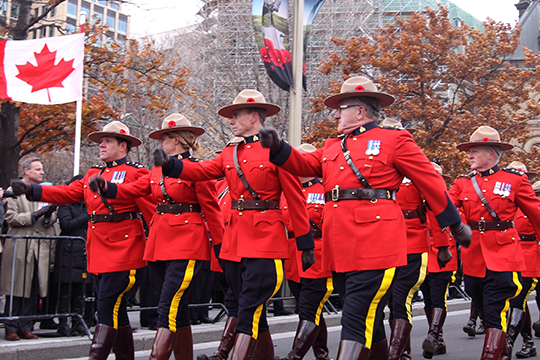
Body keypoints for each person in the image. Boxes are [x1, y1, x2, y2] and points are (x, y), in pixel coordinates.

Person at [258, 76, 470, 360]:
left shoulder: (394, 139)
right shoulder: (333, 145)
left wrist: (454, 224)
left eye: (341, 107)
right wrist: (279, 147)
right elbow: (305, 164)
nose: (335, 114)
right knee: (366, 317)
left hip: (375, 243)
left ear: (359, 111)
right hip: (340, 246)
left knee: (355, 318)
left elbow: (429, 180)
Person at [154, 89, 315, 360]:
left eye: (236, 115)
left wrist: (304, 242)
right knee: (247, 309)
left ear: (254, 116)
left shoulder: (277, 150)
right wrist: (172, 166)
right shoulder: (231, 152)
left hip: (266, 239)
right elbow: (203, 171)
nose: (231, 120)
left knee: (248, 311)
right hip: (236, 241)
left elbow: (295, 198)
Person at [10, 121, 155, 359]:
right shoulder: (92, 173)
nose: (102, 144)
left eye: (107, 140)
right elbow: (66, 193)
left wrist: (156, 250)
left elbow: (150, 212)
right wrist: (32, 191)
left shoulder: (137, 173)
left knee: (107, 306)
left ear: (123, 146)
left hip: (124, 247)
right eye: (101, 141)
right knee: (115, 311)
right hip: (98, 247)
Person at [88, 113, 225, 360]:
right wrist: (108, 188)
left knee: (167, 307)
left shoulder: (197, 169)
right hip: (160, 243)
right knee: (178, 311)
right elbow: (134, 190)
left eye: (166, 138)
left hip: (187, 242)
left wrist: (221, 247)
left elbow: (212, 211)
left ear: (180, 139)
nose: (160, 143)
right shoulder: (157, 171)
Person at [448, 126, 540, 360]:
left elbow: (536, 214)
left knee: (494, 309)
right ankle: (502, 353)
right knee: (479, 302)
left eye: (474, 150)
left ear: (491, 153)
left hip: (503, 254)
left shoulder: (514, 181)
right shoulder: (462, 183)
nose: (469, 155)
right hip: (473, 256)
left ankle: (490, 355)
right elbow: (446, 206)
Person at [278, 143, 333, 360]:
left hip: (318, 256)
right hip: (293, 258)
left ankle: (295, 355)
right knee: (309, 310)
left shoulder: (325, 189)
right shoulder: (286, 190)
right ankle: (322, 354)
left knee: (310, 309)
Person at [0, 157, 58, 341]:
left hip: (39, 243)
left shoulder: (44, 191)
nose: (42, 172)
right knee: (16, 286)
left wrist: (50, 215)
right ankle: (11, 326)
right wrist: (35, 215)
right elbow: (11, 217)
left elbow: (53, 215)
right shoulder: (13, 191)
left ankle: (26, 325)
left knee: (34, 286)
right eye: (38, 169)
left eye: (42, 169)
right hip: (20, 243)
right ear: (27, 171)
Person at [420, 163, 459, 359]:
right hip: (422, 249)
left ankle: (434, 335)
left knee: (438, 296)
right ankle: (439, 339)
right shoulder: (417, 194)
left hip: (442, 249)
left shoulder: (446, 198)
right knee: (427, 295)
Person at [503, 162, 539, 359]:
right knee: (517, 302)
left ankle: (507, 342)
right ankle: (529, 342)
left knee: (519, 299)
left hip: (531, 257)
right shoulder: (507, 204)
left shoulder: (534, 204)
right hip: (511, 255)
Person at [55, 174, 88, 337]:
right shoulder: (65, 203)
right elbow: (66, 224)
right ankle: (63, 323)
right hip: (68, 249)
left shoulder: (87, 203)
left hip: (83, 249)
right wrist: (87, 215)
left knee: (80, 290)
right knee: (66, 289)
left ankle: (78, 322)